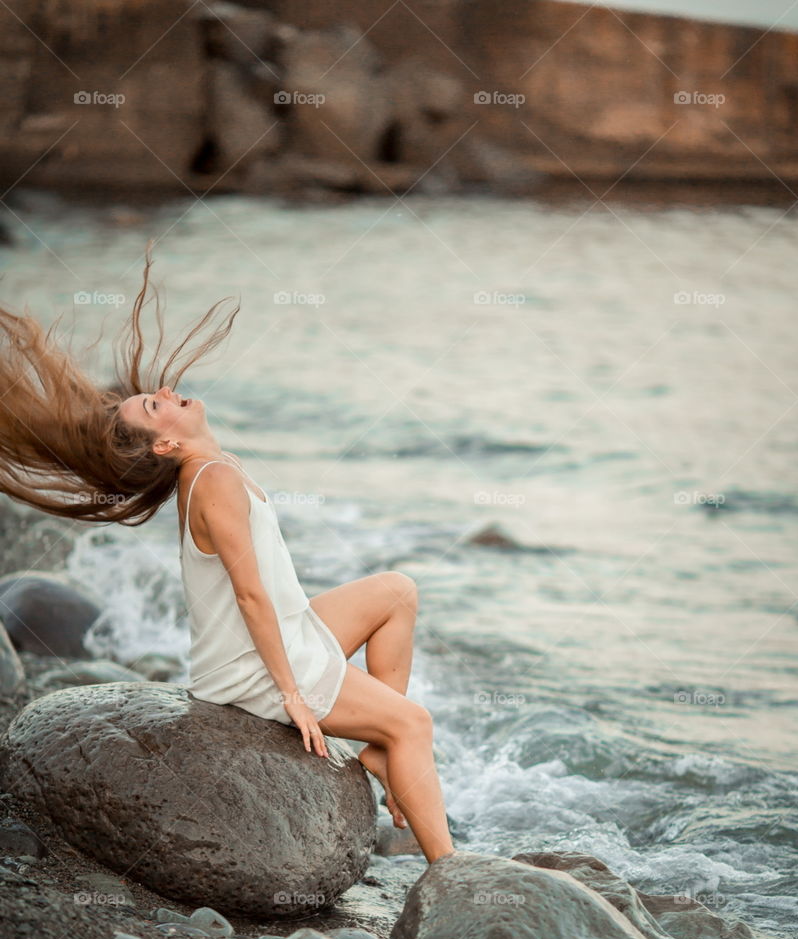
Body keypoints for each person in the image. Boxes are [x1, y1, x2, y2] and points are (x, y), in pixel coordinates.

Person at [0, 245, 457, 863]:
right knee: (417, 724)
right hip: (250, 666)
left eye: (155, 394)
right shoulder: (210, 480)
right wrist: (291, 693)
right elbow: (249, 594)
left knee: (396, 592)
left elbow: (263, 591)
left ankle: (380, 747)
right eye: (155, 406)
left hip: (280, 633)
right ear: (164, 445)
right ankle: (450, 871)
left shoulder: (217, 465)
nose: (166, 391)